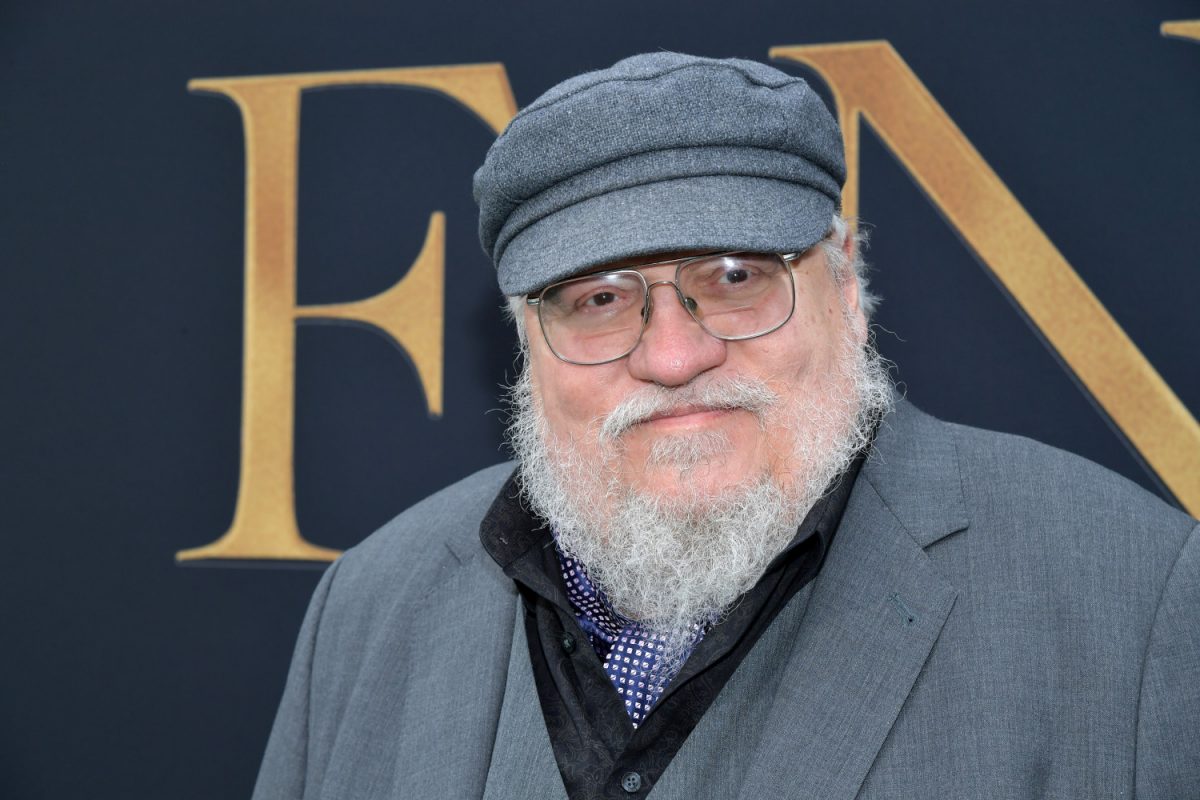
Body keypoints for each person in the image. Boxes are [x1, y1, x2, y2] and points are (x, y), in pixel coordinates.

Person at [251, 53, 1199, 800]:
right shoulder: (369, 609)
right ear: (526, 342)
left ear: (847, 289)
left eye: (735, 279)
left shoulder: (1138, 601)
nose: (671, 356)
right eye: (598, 298)